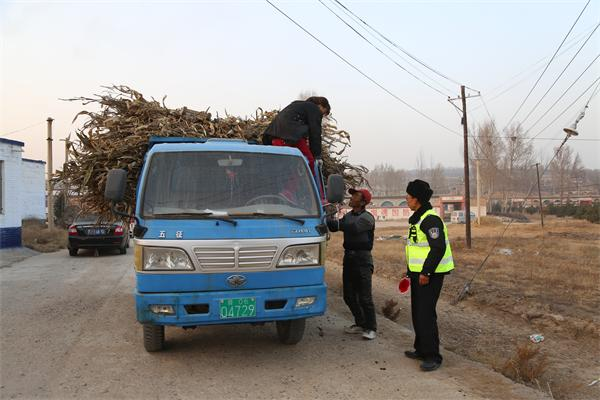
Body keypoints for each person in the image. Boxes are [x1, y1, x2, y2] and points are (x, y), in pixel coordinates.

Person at [403, 179, 454, 371]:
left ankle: (433, 356)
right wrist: (411, 272)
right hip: (418, 274)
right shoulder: (419, 217)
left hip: (430, 275)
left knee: (426, 314)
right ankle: (421, 349)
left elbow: (438, 248)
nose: (406, 200)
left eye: (408, 197)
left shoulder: (430, 219)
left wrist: (426, 272)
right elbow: (417, 248)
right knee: (417, 312)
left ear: (417, 199)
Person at [327, 188, 377, 340]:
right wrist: (327, 216)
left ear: (362, 202)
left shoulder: (367, 218)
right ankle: (360, 324)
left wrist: (336, 221)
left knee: (365, 297)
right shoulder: (349, 215)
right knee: (348, 296)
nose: (352, 197)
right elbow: (334, 226)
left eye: (355, 195)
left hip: (362, 260)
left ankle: (371, 328)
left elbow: (352, 228)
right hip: (348, 259)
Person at [262, 96, 331, 173]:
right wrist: (317, 156)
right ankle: (306, 184)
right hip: (290, 136)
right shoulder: (314, 108)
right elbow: (315, 133)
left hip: (273, 136)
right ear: (321, 105)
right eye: (324, 112)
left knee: (282, 166)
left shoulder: (297, 105)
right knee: (309, 161)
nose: (322, 115)